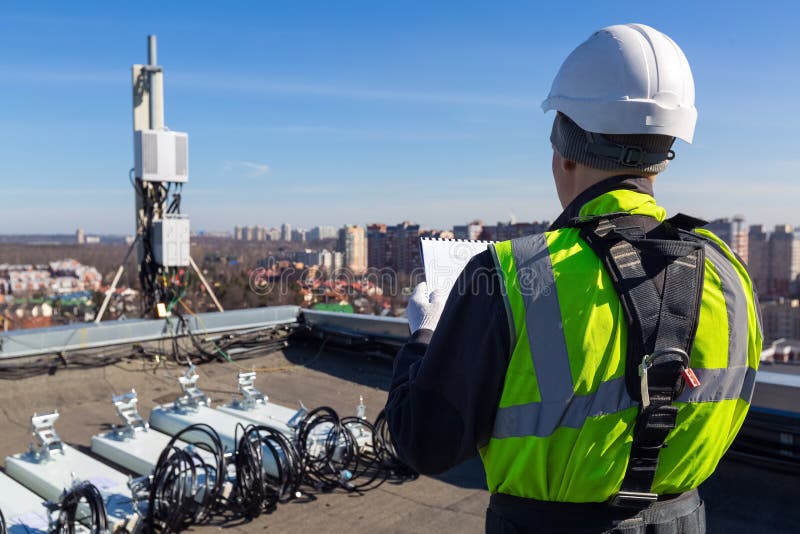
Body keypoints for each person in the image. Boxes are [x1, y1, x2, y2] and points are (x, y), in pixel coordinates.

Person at [384, 23, 762, 534]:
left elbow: (423, 442)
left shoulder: (513, 273)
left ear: (564, 149)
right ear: (664, 154)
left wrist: (424, 338)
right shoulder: (729, 273)